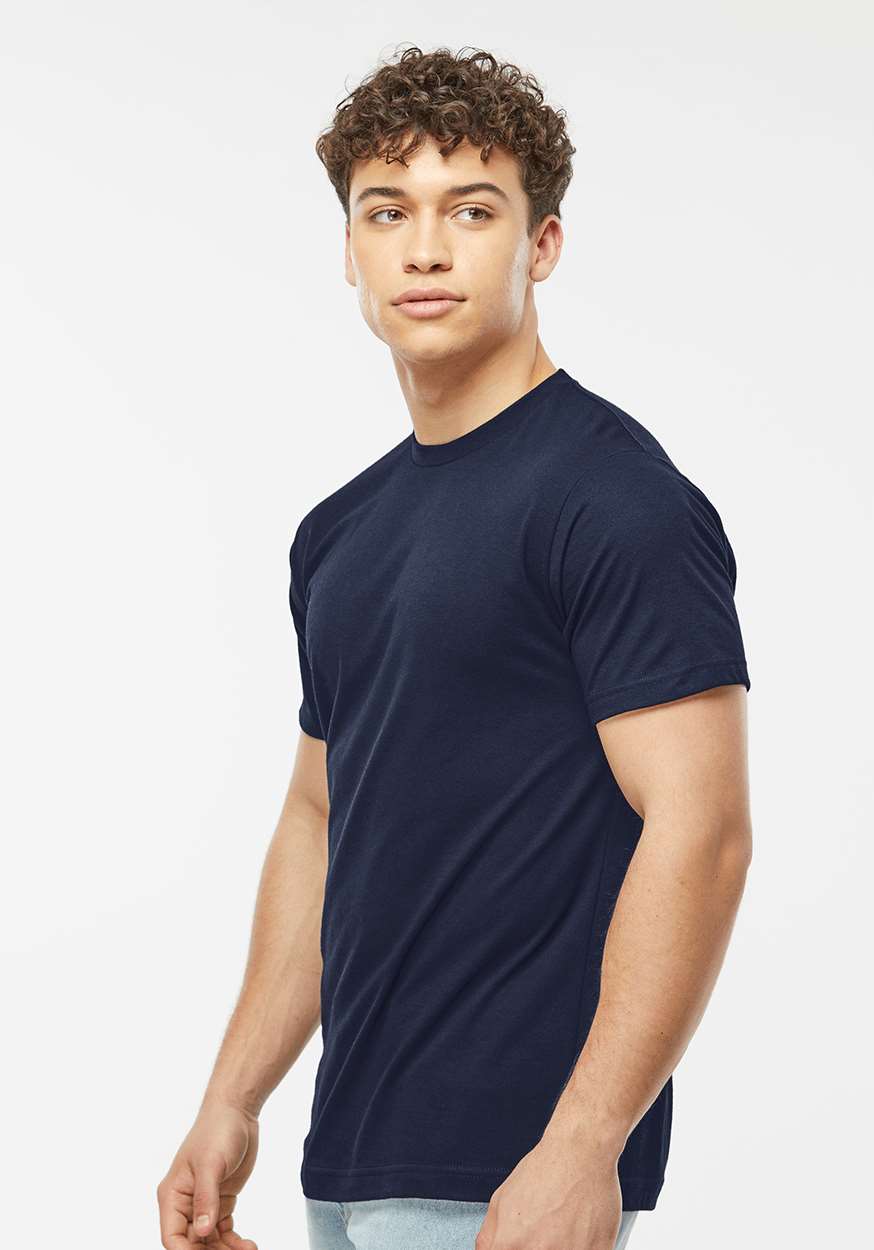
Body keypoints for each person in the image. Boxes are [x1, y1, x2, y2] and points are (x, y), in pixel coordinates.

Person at [156, 44, 753, 1250]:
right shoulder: (340, 532)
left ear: (541, 245)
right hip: (352, 1155)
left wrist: (584, 1144)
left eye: (471, 211)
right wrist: (233, 1097)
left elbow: (702, 828)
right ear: (351, 249)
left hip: (513, 1168)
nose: (424, 249)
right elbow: (321, 816)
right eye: (388, 212)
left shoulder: (613, 498)